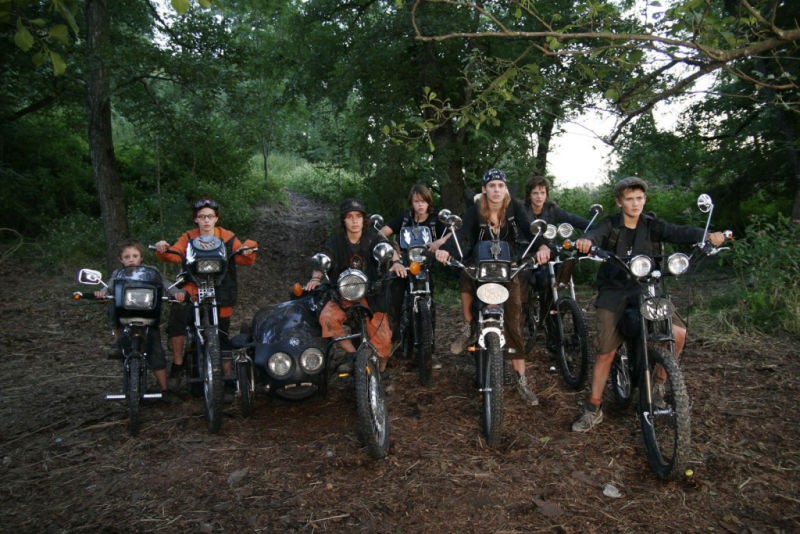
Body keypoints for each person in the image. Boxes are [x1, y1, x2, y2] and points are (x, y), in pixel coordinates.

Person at [571, 177, 727, 432]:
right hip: (615, 292)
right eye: (629, 199)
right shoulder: (610, 224)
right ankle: (593, 408)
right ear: (619, 202)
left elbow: (678, 232)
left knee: (678, 333)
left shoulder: (652, 224)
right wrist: (587, 242)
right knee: (606, 352)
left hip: (648, 289)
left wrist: (707, 235)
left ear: (644, 200)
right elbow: (595, 235)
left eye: (639, 198)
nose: (635, 204)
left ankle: (658, 384)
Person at [434, 168, 552, 406]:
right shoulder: (475, 210)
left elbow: (529, 230)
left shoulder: (514, 208)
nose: (496, 190)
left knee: (514, 324)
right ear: (484, 189)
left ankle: (521, 380)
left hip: (508, 268)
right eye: (492, 185)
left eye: (500, 185)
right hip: (479, 265)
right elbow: (463, 236)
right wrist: (446, 251)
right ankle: (468, 326)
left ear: (505, 189)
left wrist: (542, 246)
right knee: (465, 276)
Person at [304, 198, 406, 393]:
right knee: (327, 319)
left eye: (358, 216)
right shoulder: (335, 242)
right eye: (349, 217)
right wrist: (316, 278)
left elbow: (390, 249)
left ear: (363, 219)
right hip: (343, 296)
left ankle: (381, 372)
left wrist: (396, 262)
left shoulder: (373, 238)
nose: (354, 221)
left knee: (384, 342)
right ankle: (354, 355)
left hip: (372, 295)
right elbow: (324, 259)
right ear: (344, 220)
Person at [154, 197, 257, 383]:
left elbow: (242, 256)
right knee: (178, 314)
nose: (206, 220)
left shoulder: (227, 237)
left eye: (210, 216)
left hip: (222, 287)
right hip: (193, 286)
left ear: (216, 218)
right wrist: (163, 249)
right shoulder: (188, 237)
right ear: (196, 219)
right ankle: (178, 362)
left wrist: (248, 249)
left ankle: (227, 374)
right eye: (202, 216)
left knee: (222, 331)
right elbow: (174, 254)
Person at [95, 239, 186, 401]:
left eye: (135, 256)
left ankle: (164, 389)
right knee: (112, 305)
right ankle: (117, 339)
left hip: (147, 316)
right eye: (127, 256)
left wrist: (177, 293)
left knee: (156, 352)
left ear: (141, 257)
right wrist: (102, 293)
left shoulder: (151, 272)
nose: (131, 259)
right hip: (125, 316)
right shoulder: (118, 274)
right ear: (121, 259)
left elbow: (166, 284)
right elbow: (108, 287)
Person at [379, 184, 451, 370]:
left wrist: (440, 242)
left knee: (429, 306)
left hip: (425, 267)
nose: (420, 205)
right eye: (417, 201)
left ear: (429, 203)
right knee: (393, 302)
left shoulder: (435, 221)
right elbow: (381, 234)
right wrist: (394, 254)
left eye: (424, 201)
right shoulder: (404, 219)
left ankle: (429, 351)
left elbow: (454, 233)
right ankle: (392, 344)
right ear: (411, 202)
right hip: (403, 266)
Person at [524, 175, 590, 230]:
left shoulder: (552, 210)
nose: (539, 196)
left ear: (546, 194)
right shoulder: (521, 210)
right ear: (529, 195)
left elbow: (576, 220)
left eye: (542, 193)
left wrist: (590, 234)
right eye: (535, 193)